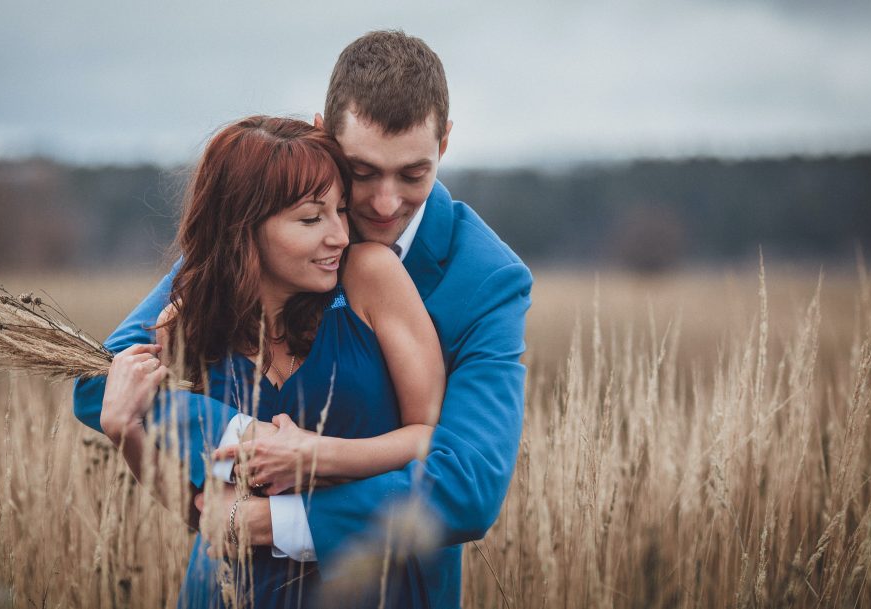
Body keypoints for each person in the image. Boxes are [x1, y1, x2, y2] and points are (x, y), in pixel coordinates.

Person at [74, 30, 532, 609]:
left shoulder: (488, 280)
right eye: (362, 171)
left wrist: (287, 507)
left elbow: (468, 485)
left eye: (413, 174)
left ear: (445, 143)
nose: (383, 204)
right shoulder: (263, 230)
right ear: (325, 131)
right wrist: (243, 438)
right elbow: (98, 379)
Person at [91, 115, 444, 608]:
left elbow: (429, 438)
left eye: (340, 210)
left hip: (362, 587)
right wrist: (123, 430)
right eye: (311, 219)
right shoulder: (187, 322)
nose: (340, 235)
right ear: (244, 228)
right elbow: (203, 517)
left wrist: (314, 456)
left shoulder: (371, 278)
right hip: (230, 592)